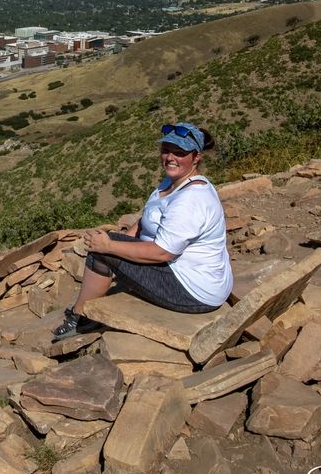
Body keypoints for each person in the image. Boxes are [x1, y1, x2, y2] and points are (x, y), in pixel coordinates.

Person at [52, 122, 234, 341]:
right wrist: (124, 239)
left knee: (102, 250)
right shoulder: (172, 183)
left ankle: (80, 318)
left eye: (180, 152)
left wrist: (110, 247)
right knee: (108, 244)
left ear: (196, 158)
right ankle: (88, 309)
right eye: (166, 150)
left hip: (193, 291)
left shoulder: (191, 200)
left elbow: (162, 253)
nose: (170, 157)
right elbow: (149, 215)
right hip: (187, 274)